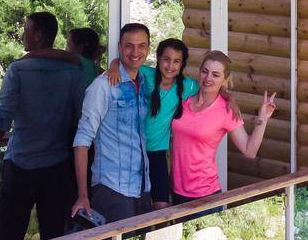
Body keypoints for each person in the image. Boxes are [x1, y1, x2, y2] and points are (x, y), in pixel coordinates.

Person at [0, 11, 87, 240]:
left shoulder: (18, 71)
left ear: (38, 36)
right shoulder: (72, 72)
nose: (23, 34)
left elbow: (1, 122)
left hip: (21, 164)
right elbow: (81, 121)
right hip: (57, 166)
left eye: (27, 30)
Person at [169, 50, 277, 203]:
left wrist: (263, 118)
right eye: (205, 72)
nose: (208, 78)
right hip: (176, 191)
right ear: (199, 72)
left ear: (225, 80)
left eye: (215, 75)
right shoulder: (184, 97)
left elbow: (250, 150)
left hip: (205, 195)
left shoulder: (226, 110)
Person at [72, 23, 153, 222]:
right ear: (119, 47)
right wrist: (83, 195)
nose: (135, 52)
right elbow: (82, 140)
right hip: (112, 188)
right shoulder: (103, 86)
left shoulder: (145, 82)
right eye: (129, 46)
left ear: (149, 49)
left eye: (141, 46)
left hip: (142, 186)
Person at [109, 39, 197, 210]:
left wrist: (228, 97)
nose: (170, 65)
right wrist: (113, 66)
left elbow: (211, 88)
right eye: (166, 59)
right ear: (157, 58)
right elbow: (123, 62)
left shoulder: (188, 86)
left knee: (162, 204)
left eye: (176, 61)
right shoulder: (145, 74)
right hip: (132, 150)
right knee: (134, 200)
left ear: (182, 64)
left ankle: (160, 236)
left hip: (157, 153)